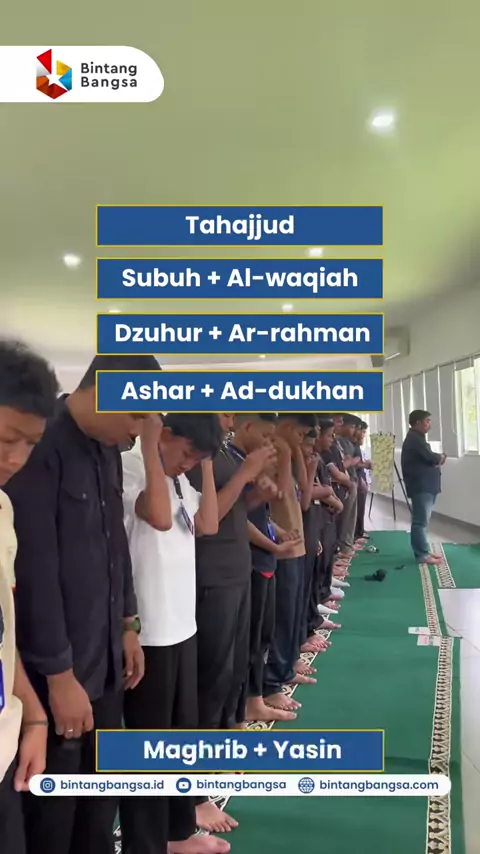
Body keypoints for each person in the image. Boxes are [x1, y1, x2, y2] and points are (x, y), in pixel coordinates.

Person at [4, 353, 161, 854]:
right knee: (55, 812)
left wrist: (128, 624)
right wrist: (58, 675)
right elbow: (35, 572)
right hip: (59, 672)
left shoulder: (105, 449)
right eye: (135, 415)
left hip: (104, 660)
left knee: (99, 797)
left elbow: (116, 544)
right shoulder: (41, 445)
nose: (138, 431)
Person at [120, 413, 228, 854]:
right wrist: (149, 446)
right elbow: (160, 519)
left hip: (182, 624)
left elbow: (208, 525)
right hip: (149, 630)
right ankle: (146, 843)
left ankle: (177, 831)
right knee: (149, 746)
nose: (188, 463)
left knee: (182, 735)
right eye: (187, 452)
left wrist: (204, 460)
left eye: (196, 458)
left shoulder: (179, 475)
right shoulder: (132, 467)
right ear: (163, 434)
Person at [187, 413, 276, 834]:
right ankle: (195, 791)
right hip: (212, 578)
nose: (229, 417)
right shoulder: (197, 454)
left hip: (236, 572)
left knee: (230, 671)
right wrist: (245, 474)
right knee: (208, 681)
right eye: (224, 410)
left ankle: (220, 748)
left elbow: (234, 508)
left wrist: (256, 489)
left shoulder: (221, 451)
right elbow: (206, 521)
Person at [0, 340, 58, 854]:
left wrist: (33, 715)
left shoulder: (3, 510)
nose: (15, 459)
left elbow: (3, 632)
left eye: (30, 443)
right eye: (4, 439)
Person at [230, 414, 301, 724]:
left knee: (262, 636)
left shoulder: (248, 462)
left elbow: (262, 510)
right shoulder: (234, 463)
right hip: (252, 561)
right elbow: (237, 518)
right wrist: (272, 546)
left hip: (265, 559)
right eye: (266, 436)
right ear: (247, 427)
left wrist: (279, 533)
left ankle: (256, 697)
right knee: (249, 640)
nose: (269, 443)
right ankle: (249, 702)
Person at [263, 414, 315, 715]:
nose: (302, 441)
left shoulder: (288, 454)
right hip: (280, 550)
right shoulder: (270, 454)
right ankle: (271, 682)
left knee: (293, 613)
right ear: (285, 427)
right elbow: (280, 493)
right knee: (281, 618)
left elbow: (302, 493)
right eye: (300, 435)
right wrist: (286, 454)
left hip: (296, 546)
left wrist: (294, 452)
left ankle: (286, 667)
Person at [401, 410, 446, 565]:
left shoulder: (418, 439)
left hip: (426, 485)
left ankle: (423, 550)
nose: (429, 424)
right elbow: (431, 457)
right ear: (418, 422)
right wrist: (440, 457)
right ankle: (422, 555)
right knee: (420, 522)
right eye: (427, 421)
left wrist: (437, 459)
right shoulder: (414, 439)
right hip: (421, 486)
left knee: (423, 521)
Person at [334, 414, 363, 558]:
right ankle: (342, 547)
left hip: (350, 481)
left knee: (350, 516)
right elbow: (339, 466)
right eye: (352, 427)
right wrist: (351, 461)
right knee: (343, 519)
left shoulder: (345, 442)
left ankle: (347, 544)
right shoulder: (338, 441)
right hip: (343, 484)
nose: (354, 430)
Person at [353, 420, 370, 542]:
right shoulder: (352, 446)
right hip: (356, 479)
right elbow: (353, 464)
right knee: (357, 508)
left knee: (361, 507)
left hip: (360, 478)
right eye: (362, 431)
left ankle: (360, 531)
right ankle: (357, 534)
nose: (363, 435)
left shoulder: (357, 446)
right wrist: (364, 465)